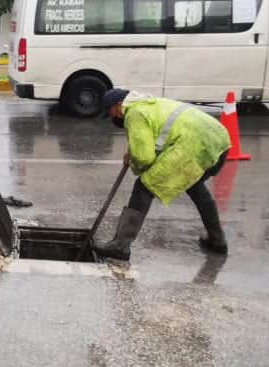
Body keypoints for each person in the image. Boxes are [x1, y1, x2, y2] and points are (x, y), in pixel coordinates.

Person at [95, 88, 231, 261]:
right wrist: (133, 151)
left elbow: (144, 158)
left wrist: (134, 161)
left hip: (194, 145)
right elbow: (155, 138)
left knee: (144, 187)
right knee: (194, 185)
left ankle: (121, 246)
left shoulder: (134, 114)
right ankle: (217, 240)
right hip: (219, 140)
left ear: (119, 105)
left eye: (111, 112)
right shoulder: (149, 104)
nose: (113, 118)